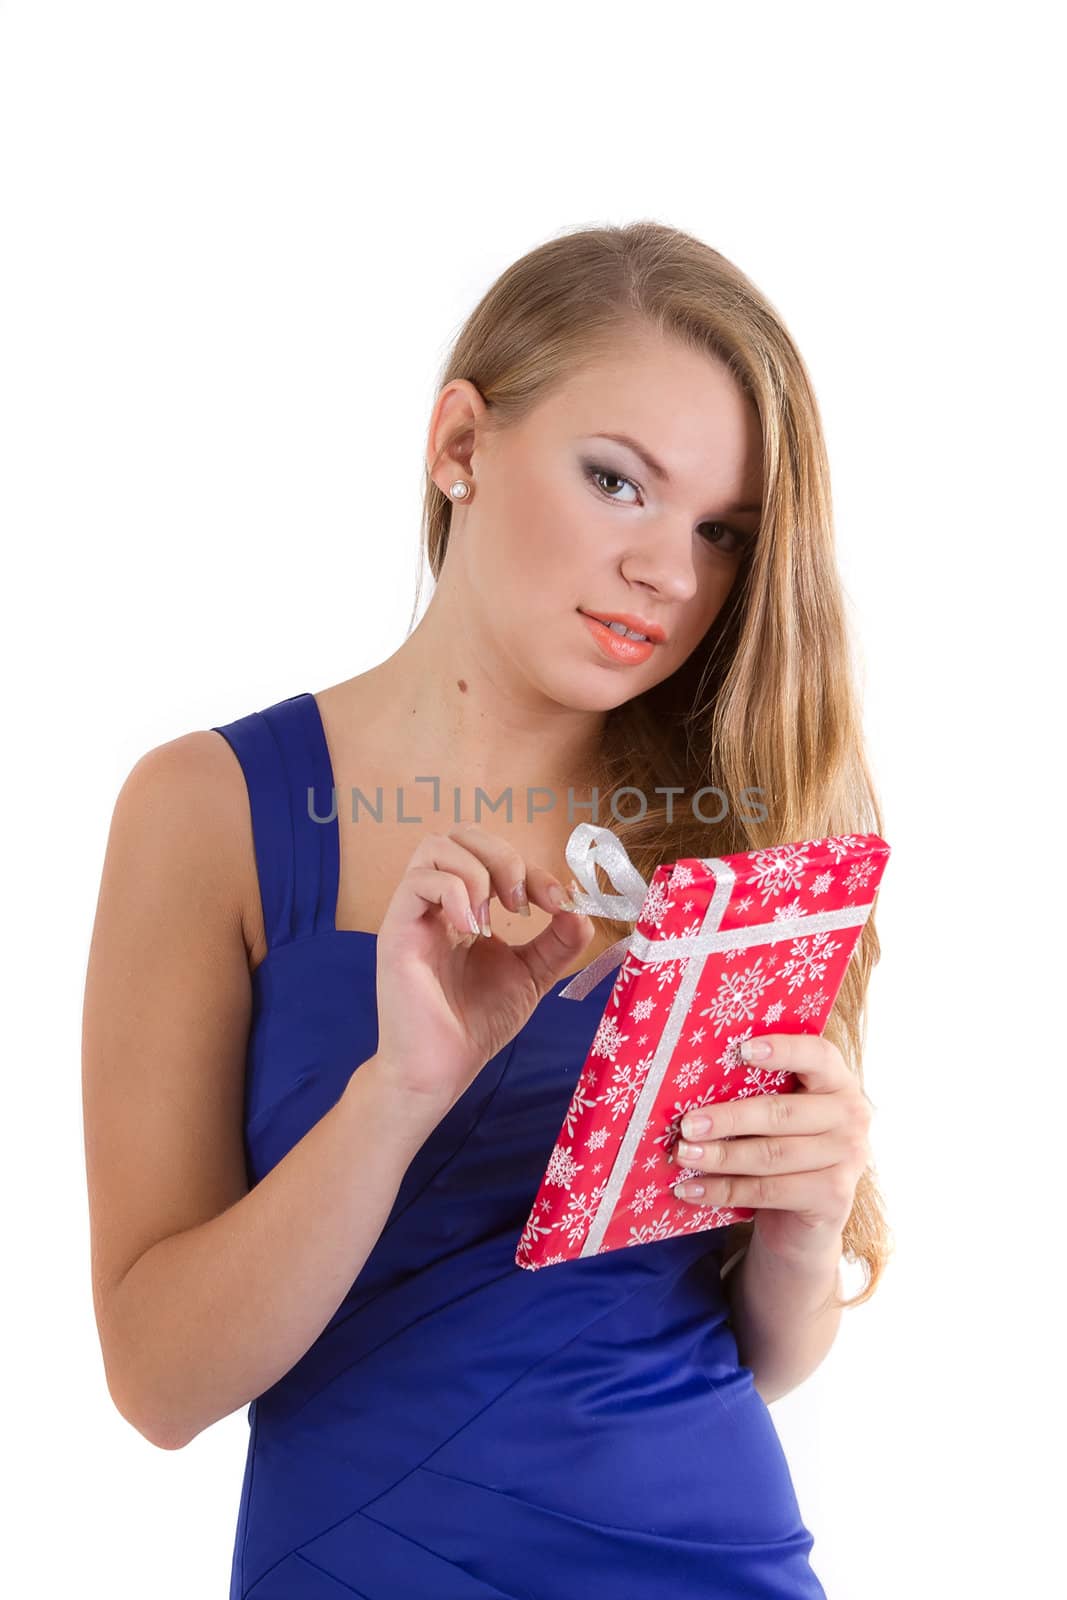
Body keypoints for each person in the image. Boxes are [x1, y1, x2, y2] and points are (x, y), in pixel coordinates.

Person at [82, 220, 889, 1598]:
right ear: (460, 443)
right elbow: (159, 1385)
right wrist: (398, 1092)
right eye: (616, 482)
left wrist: (810, 1230)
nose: (669, 574)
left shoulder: (735, 833)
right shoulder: (207, 811)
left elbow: (758, 1353)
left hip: (715, 1557)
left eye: (722, 534)